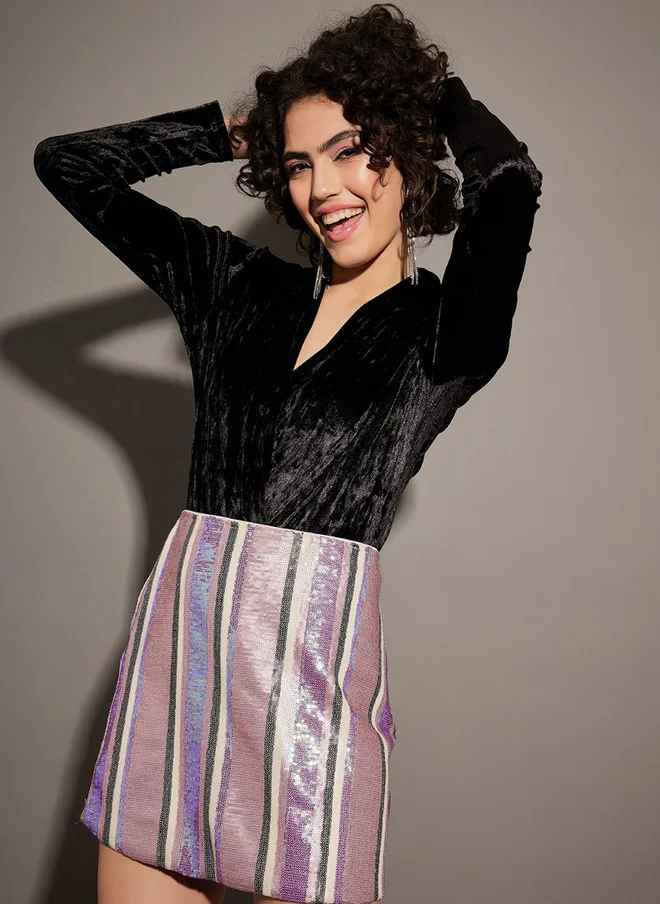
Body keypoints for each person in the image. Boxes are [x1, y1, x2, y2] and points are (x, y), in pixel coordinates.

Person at [33, 4, 542, 903]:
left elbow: (509, 184)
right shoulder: (231, 286)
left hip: (312, 703)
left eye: (352, 150)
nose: (324, 186)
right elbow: (68, 165)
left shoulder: (450, 334)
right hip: (179, 673)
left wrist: (434, 99)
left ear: (405, 151)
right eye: (300, 163)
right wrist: (239, 130)